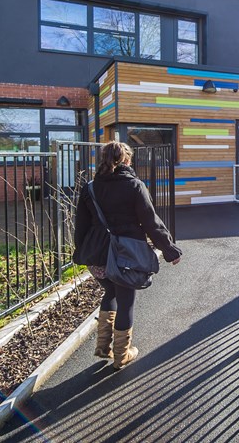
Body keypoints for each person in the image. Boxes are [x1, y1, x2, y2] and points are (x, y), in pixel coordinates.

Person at [74, 141, 182, 369]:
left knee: (110, 292)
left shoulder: (90, 187)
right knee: (126, 302)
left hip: (96, 255)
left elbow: (80, 226)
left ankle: (103, 347)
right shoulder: (134, 186)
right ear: (127, 160)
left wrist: (81, 253)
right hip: (126, 257)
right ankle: (121, 355)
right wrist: (170, 251)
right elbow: (152, 223)